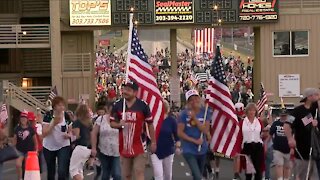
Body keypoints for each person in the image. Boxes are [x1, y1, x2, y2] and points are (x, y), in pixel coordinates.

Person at [110, 80, 157, 180]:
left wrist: (153, 142)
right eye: (124, 89)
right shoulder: (118, 105)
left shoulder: (143, 106)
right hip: (124, 146)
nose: (125, 92)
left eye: (128, 90)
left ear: (135, 92)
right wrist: (119, 124)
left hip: (140, 145)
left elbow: (150, 124)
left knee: (138, 171)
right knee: (126, 175)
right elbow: (112, 123)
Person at [284, 88, 320, 179]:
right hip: (303, 151)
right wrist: (290, 139)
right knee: (302, 175)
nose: (317, 97)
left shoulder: (317, 110)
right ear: (309, 97)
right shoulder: (297, 111)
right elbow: (287, 125)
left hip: (317, 151)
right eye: (316, 95)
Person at [178, 89, 211, 180]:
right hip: (189, 149)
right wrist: (194, 141)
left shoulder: (205, 112)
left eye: (196, 98)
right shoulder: (183, 114)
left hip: (202, 149)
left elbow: (205, 130)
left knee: (198, 175)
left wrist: (194, 119)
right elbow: (180, 132)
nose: (194, 101)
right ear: (188, 102)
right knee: (197, 176)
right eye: (191, 99)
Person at [42, 96, 71, 180]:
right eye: (59, 105)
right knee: (51, 171)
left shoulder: (66, 115)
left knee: (62, 170)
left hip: (63, 145)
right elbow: (44, 133)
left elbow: (70, 130)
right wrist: (53, 123)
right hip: (49, 146)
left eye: (63, 105)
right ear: (54, 106)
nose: (61, 107)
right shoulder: (49, 115)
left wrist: (69, 135)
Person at [151, 100, 180, 180]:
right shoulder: (153, 120)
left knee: (168, 175)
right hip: (155, 150)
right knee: (158, 175)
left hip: (168, 151)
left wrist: (177, 147)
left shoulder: (172, 121)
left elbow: (177, 136)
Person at [91, 104, 121, 180]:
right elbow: (94, 133)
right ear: (107, 109)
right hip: (103, 150)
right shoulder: (101, 119)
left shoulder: (120, 119)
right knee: (105, 173)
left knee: (117, 174)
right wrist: (93, 148)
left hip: (117, 150)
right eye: (111, 108)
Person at [238, 103, 264, 180]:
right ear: (247, 111)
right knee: (248, 170)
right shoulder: (242, 122)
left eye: (253, 110)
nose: (251, 112)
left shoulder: (259, 121)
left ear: (256, 112)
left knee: (258, 170)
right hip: (247, 146)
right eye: (250, 110)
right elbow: (239, 135)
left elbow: (262, 133)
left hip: (258, 146)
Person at [69, 104, 94, 180]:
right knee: (79, 169)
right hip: (88, 148)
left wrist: (71, 132)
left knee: (73, 170)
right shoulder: (89, 123)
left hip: (80, 147)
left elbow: (77, 135)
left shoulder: (77, 122)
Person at [13, 111, 37, 180]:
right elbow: (14, 140)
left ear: (27, 120)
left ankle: (27, 178)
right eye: (22, 118)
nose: (23, 119)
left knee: (27, 166)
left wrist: (36, 149)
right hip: (19, 150)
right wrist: (13, 149)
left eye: (25, 118)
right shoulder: (17, 128)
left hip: (29, 151)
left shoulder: (31, 129)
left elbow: (35, 140)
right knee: (18, 164)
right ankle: (20, 178)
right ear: (20, 119)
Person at [269, 108, 291, 180]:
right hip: (277, 148)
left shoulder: (290, 124)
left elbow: (295, 134)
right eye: (282, 115)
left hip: (289, 148)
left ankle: (286, 178)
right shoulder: (276, 124)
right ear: (279, 115)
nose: (283, 117)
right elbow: (270, 134)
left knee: (287, 166)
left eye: (285, 115)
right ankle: (280, 178)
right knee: (279, 165)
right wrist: (266, 144)